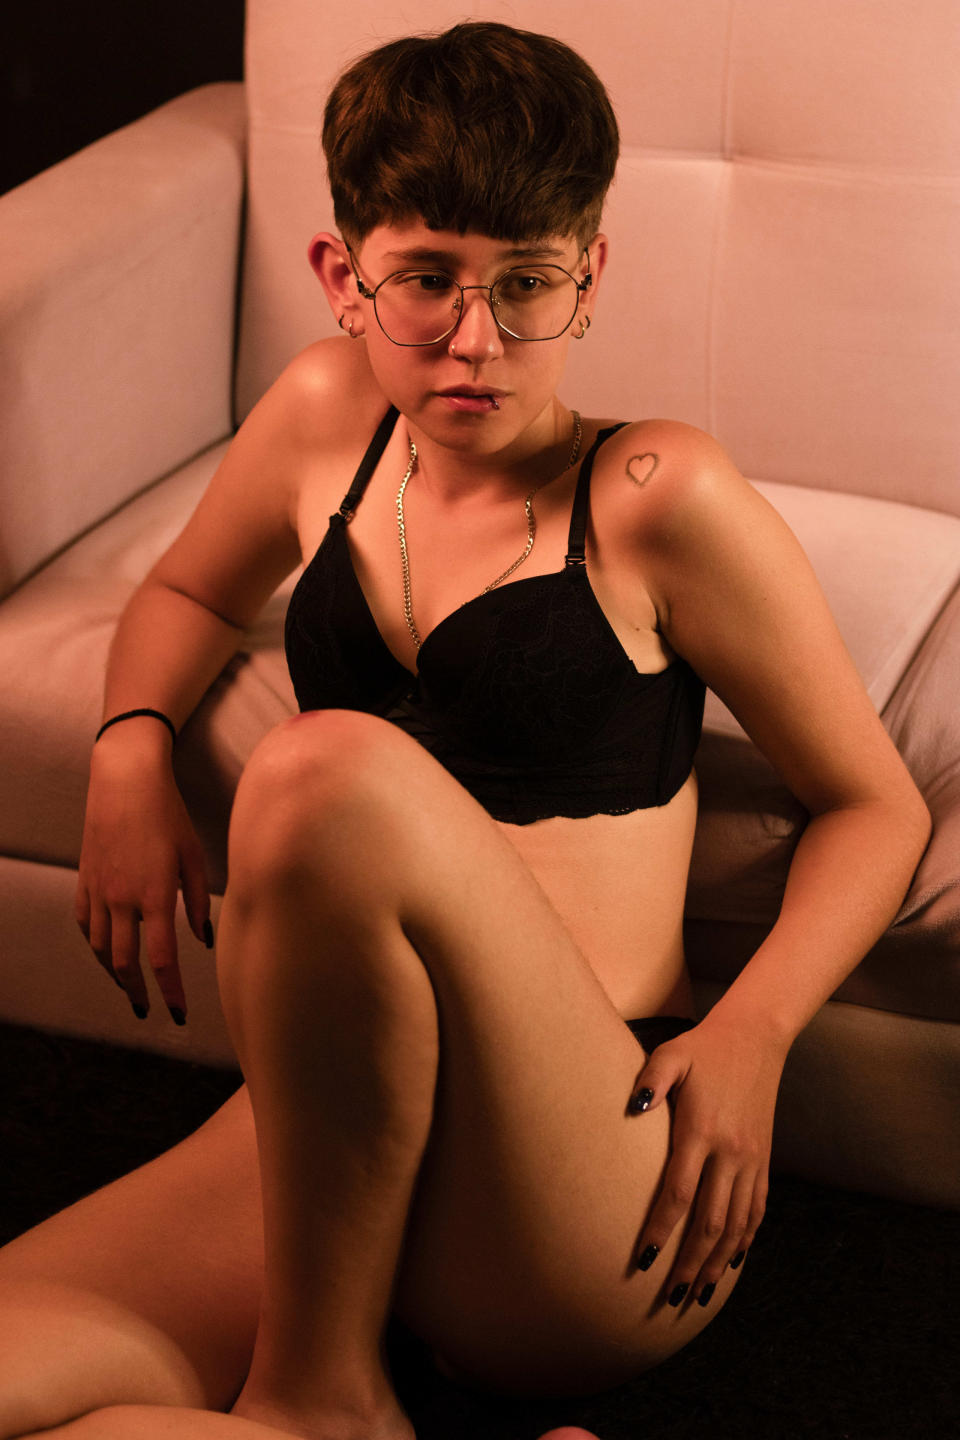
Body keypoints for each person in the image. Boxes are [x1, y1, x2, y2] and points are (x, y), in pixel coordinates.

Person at [0, 20, 931, 1440]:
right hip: (327, 1133)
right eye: (427, 281)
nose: (477, 341)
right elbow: (188, 590)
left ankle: (322, 1394)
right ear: (344, 277)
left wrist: (754, 1033)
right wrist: (130, 744)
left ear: (589, 279)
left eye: (528, 285)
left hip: (581, 1166)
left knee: (319, 769)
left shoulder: (657, 496)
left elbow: (878, 805)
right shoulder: (321, 415)